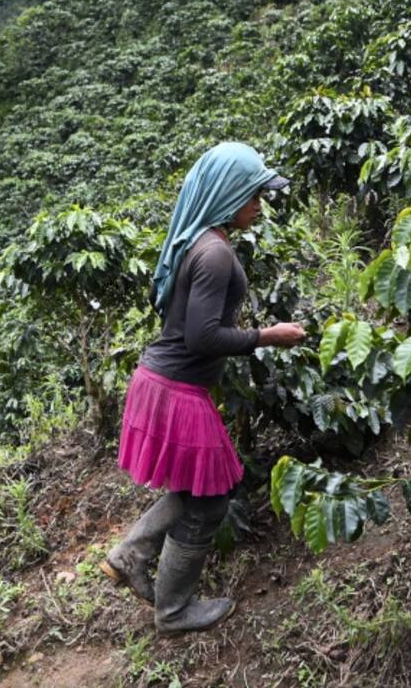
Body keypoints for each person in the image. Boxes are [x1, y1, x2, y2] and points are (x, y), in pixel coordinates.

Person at [99, 141, 306, 635]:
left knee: (194, 490)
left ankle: (132, 554)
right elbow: (202, 336)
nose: (260, 204)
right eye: (254, 194)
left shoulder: (199, 240)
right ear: (229, 194)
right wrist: (266, 337)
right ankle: (173, 609)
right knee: (210, 497)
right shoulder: (213, 252)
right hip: (176, 389)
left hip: (163, 381)